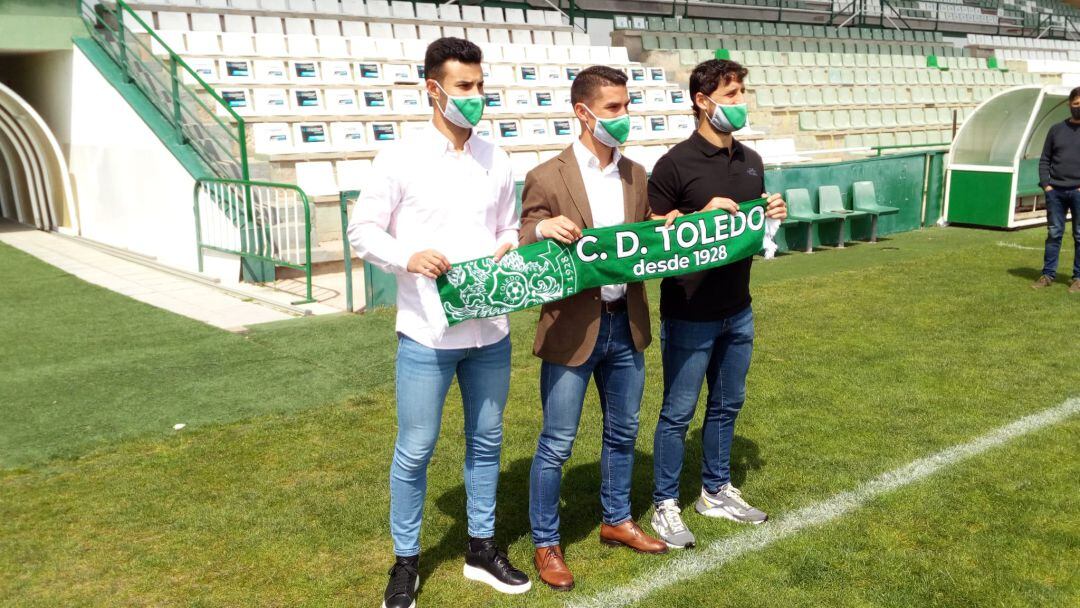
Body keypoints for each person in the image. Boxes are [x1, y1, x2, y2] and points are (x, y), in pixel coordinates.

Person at [347, 37, 531, 608]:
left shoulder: (496, 158)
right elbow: (363, 232)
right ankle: (406, 561)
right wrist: (410, 256)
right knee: (417, 448)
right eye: (464, 88)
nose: (476, 98)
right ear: (434, 89)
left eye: (480, 87)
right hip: (427, 331)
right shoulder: (399, 158)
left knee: (487, 442)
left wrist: (507, 244)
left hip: (490, 330)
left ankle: (480, 546)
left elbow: (509, 225)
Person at [520, 65, 670, 592]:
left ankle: (617, 519)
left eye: (627, 106)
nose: (623, 116)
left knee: (623, 432)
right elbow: (520, 240)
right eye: (613, 108)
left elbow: (645, 234)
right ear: (583, 112)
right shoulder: (547, 175)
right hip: (572, 327)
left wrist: (672, 225)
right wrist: (541, 229)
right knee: (557, 442)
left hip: (624, 324)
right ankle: (546, 542)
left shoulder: (635, 173)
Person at [646, 59, 788, 549]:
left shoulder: (751, 160)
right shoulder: (673, 165)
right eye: (730, 94)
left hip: (738, 307)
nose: (739, 102)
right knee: (678, 412)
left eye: (741, 92)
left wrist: (773, 213)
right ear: (702, 102)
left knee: (727, 405)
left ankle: (715, 490)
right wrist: (694, 215)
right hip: (689, 312)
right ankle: (664, 503)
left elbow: (752, 225)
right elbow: (652, 234)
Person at [1033, 86, 1080, 293]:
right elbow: (1045, 159)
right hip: (1056, 193)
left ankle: (1078, 278)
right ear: (1070, 105)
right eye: (1077, 104)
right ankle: (1047, 275)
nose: (1079, 107)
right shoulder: (1056, 130)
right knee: (1054, 233)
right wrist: (1047, 185)